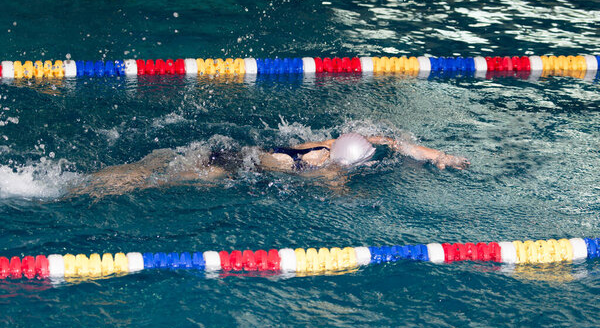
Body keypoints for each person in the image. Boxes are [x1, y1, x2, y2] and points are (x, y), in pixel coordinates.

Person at [68, 132, 469, 199]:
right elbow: (337, 192)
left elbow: (388, 140)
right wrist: (355, 197)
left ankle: (85, 181)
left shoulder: (324, 145)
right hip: (235, 165)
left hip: (236, 151)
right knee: (159, 183)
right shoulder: (333, 167)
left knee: (155, 165)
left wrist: (438, 156)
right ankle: (80, 189)